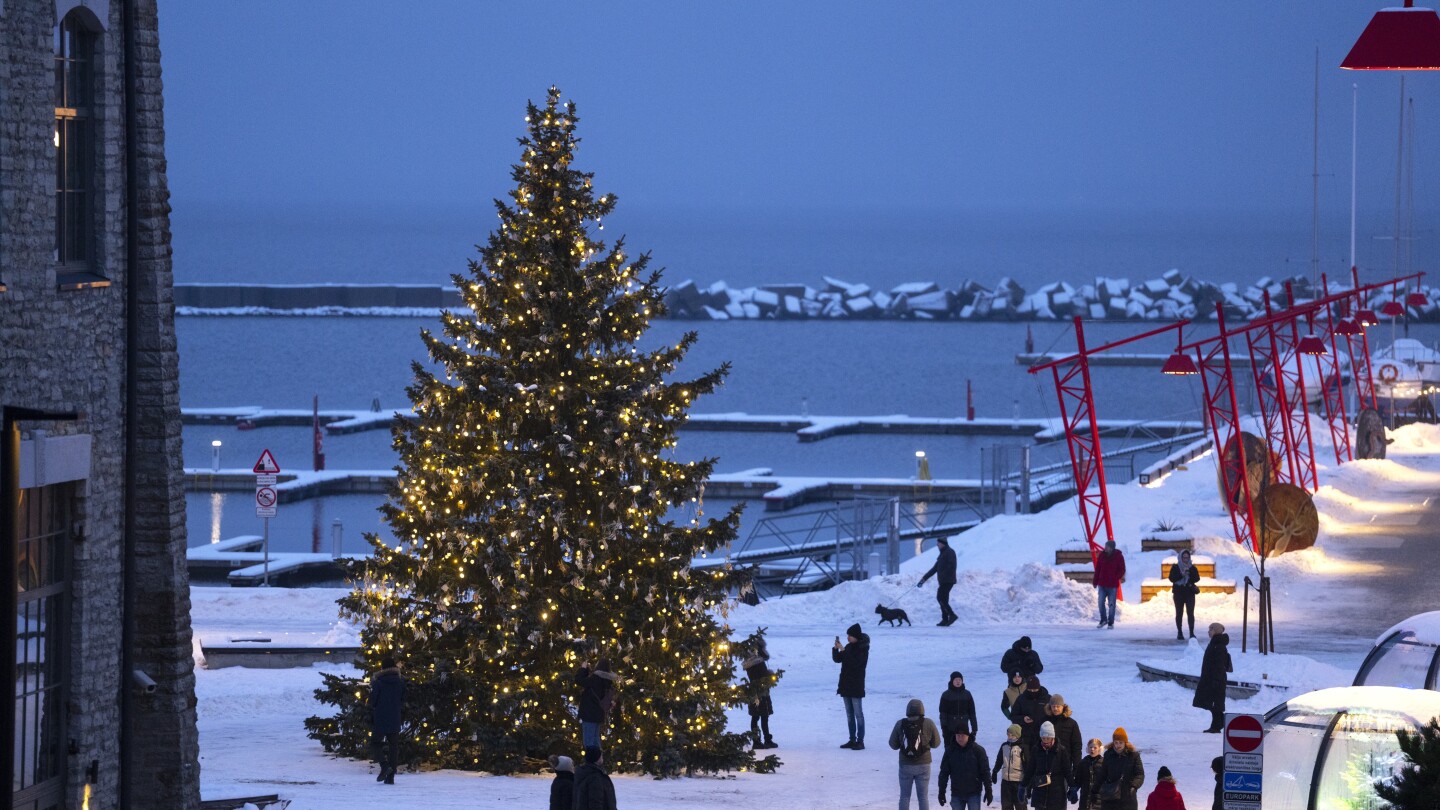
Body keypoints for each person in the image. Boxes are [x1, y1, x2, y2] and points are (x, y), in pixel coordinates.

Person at [889, 698, 943, 810]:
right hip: (924, 764)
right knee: (923, 797)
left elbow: (893, 745)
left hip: (905, 765)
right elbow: (936, 743)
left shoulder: (900, 723)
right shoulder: (928, 723)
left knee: (904, 797)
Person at [833, 623, 871, 749]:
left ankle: (860, 741)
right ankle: (852, 739)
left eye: (850, 635)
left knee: (858, 714)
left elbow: (855, 663)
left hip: (856, 685)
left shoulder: (862, 648)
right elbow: (838, 659)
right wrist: (836, 649)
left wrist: (843, 650)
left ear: (856, 636)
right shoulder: (849, 647)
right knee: (849, 715)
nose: (848, 637)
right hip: (845, 685)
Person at [369, 656, 405, 785]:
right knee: (393, 746)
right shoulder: (401, 681)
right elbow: (403, 698)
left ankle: (384, 766)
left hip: (381, 717)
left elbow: (373, 701)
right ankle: (391, 777)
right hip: (395, 716)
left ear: (382, 668)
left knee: (374, 743)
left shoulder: (378, 682)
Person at [938, 727, 992, 810]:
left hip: (974, 793)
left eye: (962, 735)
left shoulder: (978, 751)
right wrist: (941, 791)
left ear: (968, 736)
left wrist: (988, 790)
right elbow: (944, 773)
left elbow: (985, 771)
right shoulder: (950, 751)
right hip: (956, 793)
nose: (960, 738)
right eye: (958, 735)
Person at [1023, 721, 1072, 810]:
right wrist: (1023, 786)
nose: (1045, 740)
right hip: (1040, 790)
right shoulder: (1036, 749)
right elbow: (1030, 770)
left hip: (1057, 792)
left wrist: (1073, 787)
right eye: (1043, 738)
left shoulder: (1061, 750)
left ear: (1052, 737)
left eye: (1048, 738)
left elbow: (1067, 771)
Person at [1193, 623, 1232, 733]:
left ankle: (1217, 725)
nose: (1209, 631)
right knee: (1212, 703)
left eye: (1211, 629)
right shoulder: (1215, 643)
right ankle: (1218, 724)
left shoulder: (1218, 645)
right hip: (1211, 678)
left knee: (1215, 703)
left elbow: (1219, 665)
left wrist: (1216, 680)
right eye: (1209, 628)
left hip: (1215, 679)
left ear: (1217, 631)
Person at [575, 659, 619, 750]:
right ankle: (598, 760)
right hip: (599, 713)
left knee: (589, 741)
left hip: (589, 713)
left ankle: (592, 761)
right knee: (595, 739)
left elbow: (580, 681)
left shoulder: (596, 677)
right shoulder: (609, 680)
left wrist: (583, 669)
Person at [742, 639, 778, 749]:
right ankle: (759, 741)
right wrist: (771, 676)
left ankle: (762, 740)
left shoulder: (753, 661)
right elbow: (762, 677)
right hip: (759, 693)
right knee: (760, 716)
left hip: (758, 692)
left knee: (759, 716)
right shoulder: (757, 662)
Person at [1098, 728, 1145, 810]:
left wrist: (1134, 786)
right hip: (1110, 795)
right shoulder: (1108, 754)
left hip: (1128, 795)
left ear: (1125, 742)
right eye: (1116, 742)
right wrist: (1096, 790)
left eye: (1120, 742)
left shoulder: (1134, 755)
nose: (1118, 745)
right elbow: (1103, 774)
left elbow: (1140, 774)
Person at [917, 536, 959, 626]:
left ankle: (952, 615)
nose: (937, 545)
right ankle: (945, 619)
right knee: (943, 599)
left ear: (943, 543)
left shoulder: (949, 552)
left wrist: (944, 574)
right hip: (944, 581)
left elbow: (951, 566)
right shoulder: (942, 554)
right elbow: (934, 569)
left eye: (938, 543)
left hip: (948, 580)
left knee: (940, 598)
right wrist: (923, 579)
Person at [1042, 694, 1082, 782]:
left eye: (1058, 706)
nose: (1055, 709)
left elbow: (1077, 746)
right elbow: (1037, 742)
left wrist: (1076, 767)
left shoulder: (1072, 723)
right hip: (1045, 764)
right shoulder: (1044, 722)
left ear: (1063, 706)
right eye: (1053, 706)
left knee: (1061, 793)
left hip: (1064, 766)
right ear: (1050, 707)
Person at [991, 723, 1029, 810]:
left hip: (1019, 782)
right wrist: (995, 771)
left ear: (1017, 735)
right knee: (1006, 805)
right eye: (1008, 734)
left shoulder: (1022, 748)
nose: (1008, 736)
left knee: (1020, 805)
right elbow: (999, 760)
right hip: (1006, 782)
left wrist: (1027, 783)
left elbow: (1027, 765)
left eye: (1011, 735)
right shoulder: (1004, 746)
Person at [938, 671, 978, 748]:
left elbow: (972, 713)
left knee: (964, 751)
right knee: (950, 751)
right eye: (956, 680)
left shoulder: (967, 694)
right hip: (950, 730)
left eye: (960, 680)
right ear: (952, 681)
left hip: (964, 730)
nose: (958, 682)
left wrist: (974, 729)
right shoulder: (946, 695)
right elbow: (943, 714)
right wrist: (944, 728)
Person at [1168, 550, 1200, 640]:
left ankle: (1191, 633)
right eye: (1184, 557)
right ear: (1180, 557)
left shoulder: (1192, 567)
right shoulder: (1175, 567)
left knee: (1190, 613)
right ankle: (1180, 632)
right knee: (1179, 613)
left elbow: (1197, 578)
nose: (1186, 559)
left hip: (1189, 592)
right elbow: (1171, 578)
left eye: (1187, 557)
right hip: (1179, 593)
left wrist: (1190, 573)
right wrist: (1181, 574)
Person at [1093, 540, 1126, 629]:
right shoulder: (1102, 556)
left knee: (1112, 604)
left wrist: (1115, 577)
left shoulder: (1118, 556)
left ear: (1111, 548)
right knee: (1100, 602)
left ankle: (1111, 622)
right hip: (1102, 584)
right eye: (1105, 546)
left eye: (1107, 546)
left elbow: (1122, 569)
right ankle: (1103, 620)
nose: (1105, 548)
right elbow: (1098, 569)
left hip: (1112, 585)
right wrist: (1095, 581)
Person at [1011, 676, 1051, 746]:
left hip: (1044, 735)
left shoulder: (1047, 698)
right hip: (1026, 736)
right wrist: (1023, 719)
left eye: (1035, 690)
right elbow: (1013, 717)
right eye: (1030, 690)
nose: (1032, 692)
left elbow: (1053, 715)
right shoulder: (1021, 699)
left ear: (1039, 687)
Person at [1077, 738, 1106, 810]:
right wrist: (1073, 790)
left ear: (1100, 749)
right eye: (1090, 747)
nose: (1092, 749)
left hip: (1099, 800)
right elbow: (1078, 780)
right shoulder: (1083, 762)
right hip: (1084, 800)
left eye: (1095, 747)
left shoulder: (1104, 763)